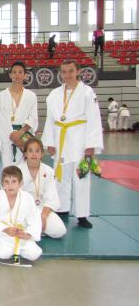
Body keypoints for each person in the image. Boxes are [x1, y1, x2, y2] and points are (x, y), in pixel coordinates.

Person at [42, 59, 103, 229]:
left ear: (78, 71)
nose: (67, 75)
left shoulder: (87, 93)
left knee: (80, 176)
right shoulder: (54, 94)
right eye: (64, 71)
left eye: (70, 71)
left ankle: (82, 214)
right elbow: (50, 119)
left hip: (80, 140)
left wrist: (91, 145)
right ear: (60, 73)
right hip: (61, 139)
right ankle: (62, 209)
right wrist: (49, 141)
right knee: (60, 176)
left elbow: (94, 119)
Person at [0, 165, 42, 262]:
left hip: (21, 232)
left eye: (14, 182)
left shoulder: (27, 198)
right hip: (4, 233)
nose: (10, 185)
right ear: (2, 184)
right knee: (3, 254)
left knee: (34, 254)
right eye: (6, 182)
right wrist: (5, 229)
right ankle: (4, 246)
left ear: (21, 183)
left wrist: (28, 234)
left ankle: (17, 248)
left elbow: (35, 219)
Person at [17, 139, 67, 239]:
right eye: (30, 151)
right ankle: (32, 230)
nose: (34, 154)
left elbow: (51, 197)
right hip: (22, 210)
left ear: (42, 154)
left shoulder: (48, 171)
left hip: (42, 209)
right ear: (25, 154)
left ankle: (33, 230)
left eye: (37, 151)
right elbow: (12, 196)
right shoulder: (17, 170)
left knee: (59, 230)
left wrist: (43, 216)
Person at [0, 61, 38, 166]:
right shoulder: (1, 96)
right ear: (10, 75)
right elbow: (1, 120)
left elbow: (33, 118)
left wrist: (21, 133)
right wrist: (13, 136)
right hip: (7, 138)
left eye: (20, 72)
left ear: (25, 75)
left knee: (25, 170)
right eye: (14, 72)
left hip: (24, 136)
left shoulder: (31, 96)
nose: (17, 75)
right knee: (8, 169)